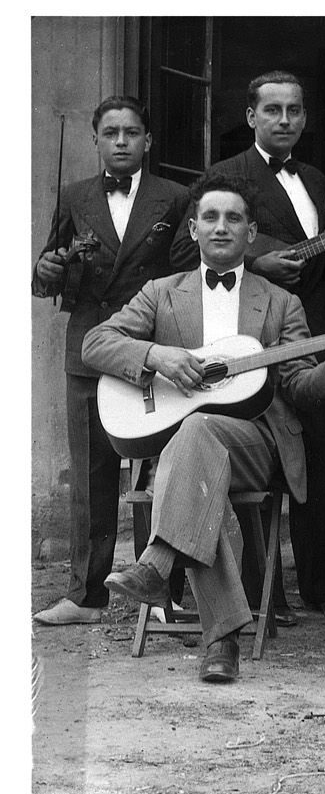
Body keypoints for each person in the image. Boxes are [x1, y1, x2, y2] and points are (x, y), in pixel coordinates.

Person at [83, 174, 325, 683]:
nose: (221, 227)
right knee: (197, 447)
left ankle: (157, 562)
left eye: (234, 218)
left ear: (251, 232)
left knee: (198, 436)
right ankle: (223, 641)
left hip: (257, 440)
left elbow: (301, 387)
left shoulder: (282, 302)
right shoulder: (160, 293)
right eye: (210, 218)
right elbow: (96, 343)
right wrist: (157, 355)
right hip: (183, 448)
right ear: (193, 229)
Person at [172, 70, 325, 622]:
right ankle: (267, 597)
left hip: (312, 334)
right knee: (260, 462)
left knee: (323, 464)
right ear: (250, 117)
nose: (285, 120)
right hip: (247, 339)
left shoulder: (315, 177)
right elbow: (178, 252)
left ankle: (321, 585)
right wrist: (253, 262)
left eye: (295, 110)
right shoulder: (223, 177)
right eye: (273, 110)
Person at [32, 97, 190, 626]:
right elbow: (41, 281)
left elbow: (184, 276)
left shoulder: (174, 197)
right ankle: (85, 595)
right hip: (87, 350)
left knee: (162, 467)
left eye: (132, 132)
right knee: (92, 472)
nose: (121, 141)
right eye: (111, 132)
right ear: (96, 139)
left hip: (150, 347)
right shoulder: (74, 195)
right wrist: (48, 267)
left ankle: (163, 591)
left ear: (148, 140)